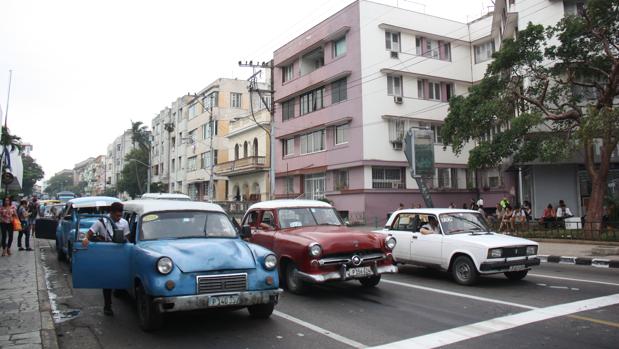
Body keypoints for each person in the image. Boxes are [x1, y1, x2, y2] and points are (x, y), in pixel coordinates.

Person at [81, 202, 130, 316]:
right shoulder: (101, 222)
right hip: (106, 253)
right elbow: (89, 233)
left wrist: (124, 241)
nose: (119, 217)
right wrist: (85, 239)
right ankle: (107, 306)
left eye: (120, 215)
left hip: (119, 253)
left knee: (119, 277)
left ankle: (118, 292)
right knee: (106, 280)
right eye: (117, 215)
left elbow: (127, 238)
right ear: (111, 213)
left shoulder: (124, 223)